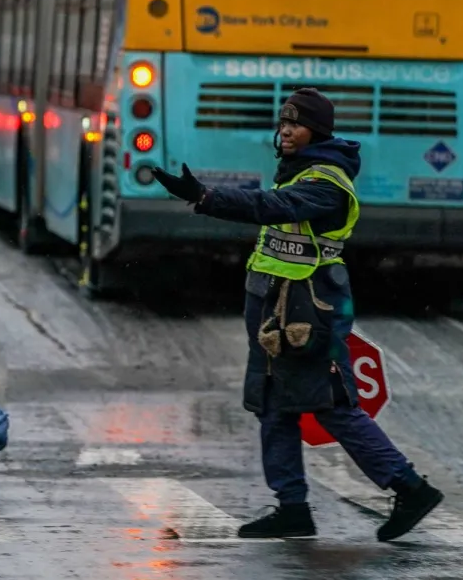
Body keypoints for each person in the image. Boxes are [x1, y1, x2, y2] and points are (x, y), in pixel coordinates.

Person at [151, 88, 444, 541]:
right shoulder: (299, 171)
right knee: (273, 405)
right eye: (283, 122)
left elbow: (272, 207)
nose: (285, 130)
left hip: (309, 309)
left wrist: (206, 196)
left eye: (297, 124)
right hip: (277, 309)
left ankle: (409, 487)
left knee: (332, 406)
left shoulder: (326, 183)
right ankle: (292, 508)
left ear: (318, 132)